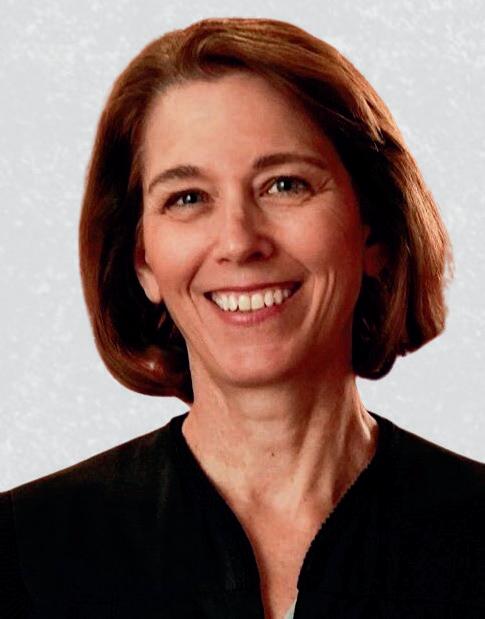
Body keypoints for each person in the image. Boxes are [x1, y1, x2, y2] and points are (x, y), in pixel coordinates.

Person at [1, 16, 484, 618]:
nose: (238, 241)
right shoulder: (22, 557)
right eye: (187, 198)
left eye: (284, 185)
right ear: (143, 261)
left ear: (375, 232)